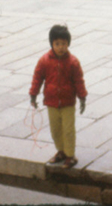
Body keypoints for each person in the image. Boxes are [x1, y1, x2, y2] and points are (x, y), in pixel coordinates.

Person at [29, 24, 88, 169]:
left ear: (68, 44)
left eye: (64, 44)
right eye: (57, 44)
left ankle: (70, 155)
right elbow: (37, 78)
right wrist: (33, 94)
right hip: (51, 102)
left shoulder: (73, 62)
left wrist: (82, 97)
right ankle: (61, 151)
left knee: (68, 129)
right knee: (55, 130)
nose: (61, 47)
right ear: (51, 44)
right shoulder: (44, 61)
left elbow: (79, 81)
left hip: (68, 103)